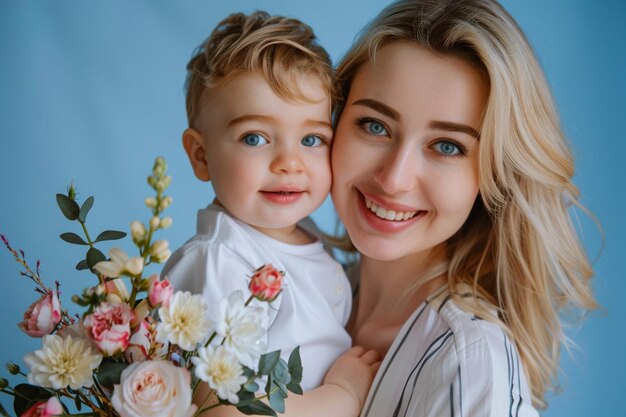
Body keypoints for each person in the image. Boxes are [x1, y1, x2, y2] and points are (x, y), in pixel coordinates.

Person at [330, 0, 598, 416]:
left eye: (447, 146)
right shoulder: (298, 290)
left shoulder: (468, 362)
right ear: (334, 120)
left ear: (494, 176)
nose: (394, 179)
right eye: (375, 125)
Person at [161, 11, 379, 417]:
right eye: (255, 137)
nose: (289, 162)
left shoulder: (305, 235)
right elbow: (224, 412)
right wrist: (344, 395)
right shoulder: (221, 261)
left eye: (312, 138)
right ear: (201, 155)